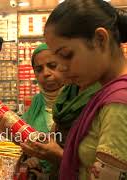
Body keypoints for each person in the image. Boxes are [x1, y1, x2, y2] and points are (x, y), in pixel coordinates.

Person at [23, 0, 127, 179]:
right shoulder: (102, 93)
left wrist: (56, 156)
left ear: (100, 39)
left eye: (66, 55)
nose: (61, 68)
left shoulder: (118, 104)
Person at [21, 43, 64, 174]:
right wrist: (32, 159)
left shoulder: (76, 101)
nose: (46, 73)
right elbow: (24, 139)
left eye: (52, 66)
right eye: (39, 69)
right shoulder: (36, 103)